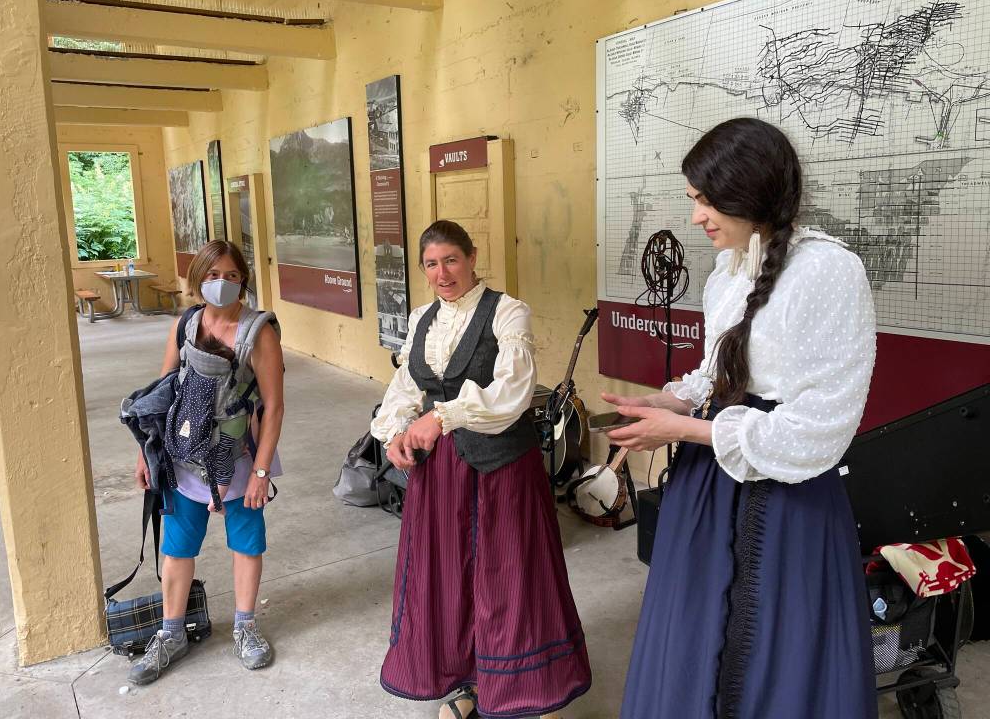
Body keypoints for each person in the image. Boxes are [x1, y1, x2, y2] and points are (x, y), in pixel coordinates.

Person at [606, 118, 878, 718]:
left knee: (772, 657)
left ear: (748, 191)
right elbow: (717, 373)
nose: (698, 216)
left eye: (707, 199)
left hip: (787, 504)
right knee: (694, 641)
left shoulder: (831, 272)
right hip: (709, 492)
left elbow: (821, 427)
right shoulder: (725, 274)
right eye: (694, 200)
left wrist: (685, 430)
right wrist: (670, 401)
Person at [371, 220, 591, 719]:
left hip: (501, 469)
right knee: (449, 577)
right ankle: (466, 684)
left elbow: (512, 393)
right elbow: (406, 387)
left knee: (511, 575)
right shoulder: (422, 317)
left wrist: (442, 416)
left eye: (451, 260)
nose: (442, 272)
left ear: (472, 258)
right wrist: (393, 435)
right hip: (441, 472)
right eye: (431, 263)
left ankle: (533, 690)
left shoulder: (508, 312)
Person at [129, 240, 285, 685]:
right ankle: (172, 633)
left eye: (232, 276)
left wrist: (260, 472)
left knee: (246, 542)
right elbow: (161, 394)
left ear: (243, 281)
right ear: (198, 279)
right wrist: (146, 451)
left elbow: (273, 407)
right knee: (176, 547)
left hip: (240, 458)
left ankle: (245, 626)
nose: (222, 284)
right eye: (213, 275)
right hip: (183, 459)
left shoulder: (259, 332)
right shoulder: (186, 324)